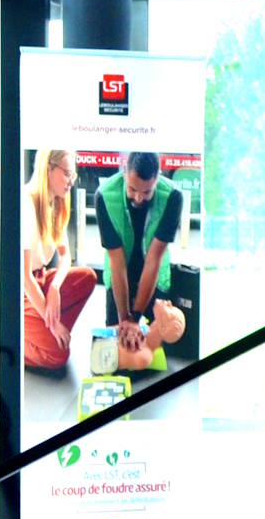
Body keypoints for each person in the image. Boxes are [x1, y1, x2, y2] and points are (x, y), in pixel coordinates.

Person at [95, 151, 186, 361]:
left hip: (154, 273)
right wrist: (125, 319)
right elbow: (116, 262)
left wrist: (135, 317)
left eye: (147, 192)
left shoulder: (173, 197)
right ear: (124, 172)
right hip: (120, 271)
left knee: (156, 348)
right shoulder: (104, 196)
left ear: (157, 178)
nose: (138, 198)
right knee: (117, 346)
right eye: (132, 189)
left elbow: (154, 259)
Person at [23, 148, 100, 372]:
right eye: (67, 173)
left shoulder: (56, 204)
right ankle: (26, 336)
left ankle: (45, 328)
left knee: (88, 277)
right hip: (23, 290)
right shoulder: (25, 204)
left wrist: (55, 287)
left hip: (42, 279)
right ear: (48, 169)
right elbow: (25, 278)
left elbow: (66, 256)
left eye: (72, 175)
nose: (71, 181)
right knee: (58, 355)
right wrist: (55, 324)